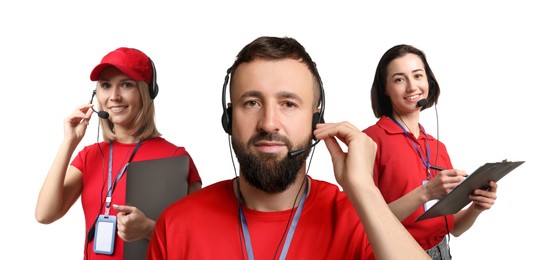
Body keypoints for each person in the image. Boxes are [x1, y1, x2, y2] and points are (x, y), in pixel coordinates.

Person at [147, 36, 429, 260]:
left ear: (316, 120)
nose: (269, 124)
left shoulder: (359, 220)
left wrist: (364, 188)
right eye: (252, 103)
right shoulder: (175, 226)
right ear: (229, 118)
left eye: (289, 104)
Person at [35, 47, 202, 259]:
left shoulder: (175, 157)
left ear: (146, 92)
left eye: (126, 84)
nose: (114, 96)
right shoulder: (89, 156)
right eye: (106, 85)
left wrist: (149, 229)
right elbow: (44, 214)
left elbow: (197, 240)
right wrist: (69, 142)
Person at [362, 44, 498, 259]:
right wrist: (426, 192)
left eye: (418, 76)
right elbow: (365, 222)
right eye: (399, 79)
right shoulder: (369, 140)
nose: (412, 87)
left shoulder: (436, 146)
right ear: (385, 88)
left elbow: (454, 228)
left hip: (442, 251)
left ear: (429, 81)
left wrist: (476, 207)